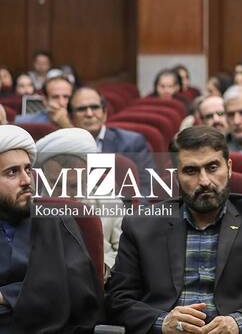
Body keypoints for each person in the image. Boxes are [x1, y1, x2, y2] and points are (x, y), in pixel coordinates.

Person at [105, 126, 242, 333]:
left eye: (212, 167)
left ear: (229, 167)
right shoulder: (141, 225)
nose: (205, 181)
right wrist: (162, 322)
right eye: (191, 171)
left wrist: (239, 322)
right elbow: (118, 300)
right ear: (176, 175)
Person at [0, 125, 104, 332]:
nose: (26, 180)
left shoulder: (56, 221)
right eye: (12, 172)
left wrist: (5, 296)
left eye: (28, 169)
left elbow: (74, 291)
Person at [35, 128, 124, 280]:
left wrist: (103, 268)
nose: (66, 194)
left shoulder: (110, 201)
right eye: (57, 185)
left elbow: (126, 252)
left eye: (74, 185)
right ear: (43, 174)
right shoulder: (28, 203)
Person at [68, 87, 157, 187]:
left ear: (104, 113)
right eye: (81, 109)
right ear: (70, 118)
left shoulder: (132, 143)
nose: (89, 114)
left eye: (95, 107)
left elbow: (148, 186)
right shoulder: (64, 147)